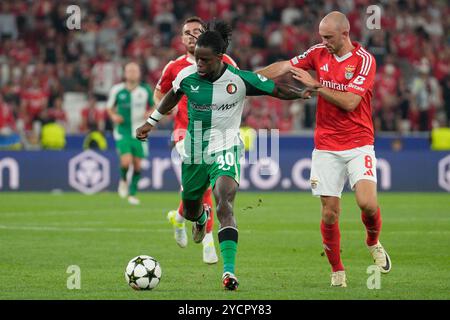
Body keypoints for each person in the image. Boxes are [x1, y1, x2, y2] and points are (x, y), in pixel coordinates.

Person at [136, 20, 311, 290]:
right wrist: (151, 121)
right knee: (193, 207)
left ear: (219, 58)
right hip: (194, 150)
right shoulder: (187, 77)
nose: (199, 65)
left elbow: (275, 89)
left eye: (205, 61)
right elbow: (172, 95)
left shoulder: (239, 79)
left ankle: (228, 273)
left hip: (226, 146)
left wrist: (301, 94)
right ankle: (200, 218)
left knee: (224, 201)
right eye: (197, 60)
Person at [256, 11, 392, 287]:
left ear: (345, 34)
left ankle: (373, 241)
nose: (324, 42)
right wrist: (249, 79)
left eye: (329, 37)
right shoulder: (319, 52)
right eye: (321, 37)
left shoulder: (364, 60)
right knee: (330, 212)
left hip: (358, 142)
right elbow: (285, 66)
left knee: (367, 203)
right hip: (327, 145)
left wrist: (316, 86)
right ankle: (337, 269)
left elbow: (351, 102)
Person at [153, 16, 238, 264]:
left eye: (196, 31)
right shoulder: (174, 67)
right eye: (187, 32)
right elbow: (160, 91)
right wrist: (164, 108)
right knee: (206, 189)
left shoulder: (225, 61)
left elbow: (239, 86)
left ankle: (179, 220)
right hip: (185, 133)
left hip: (218, 134)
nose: (191, 35)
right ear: (181, 39)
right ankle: (209, 242)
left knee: (196, 191)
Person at [107, 62, 154, 205]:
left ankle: (132, 194)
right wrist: (114, 116)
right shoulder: (117, 90)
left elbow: (154, 105)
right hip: (123, 131)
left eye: (135, 70)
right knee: (126, 161)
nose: (132, 73)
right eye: (129, 70)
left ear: (139, 73)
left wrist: (149, 113)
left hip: (140, 132)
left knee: (138, 165)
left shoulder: (145, 90)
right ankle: (123, 180)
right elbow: (110, 108)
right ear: (125, 73)